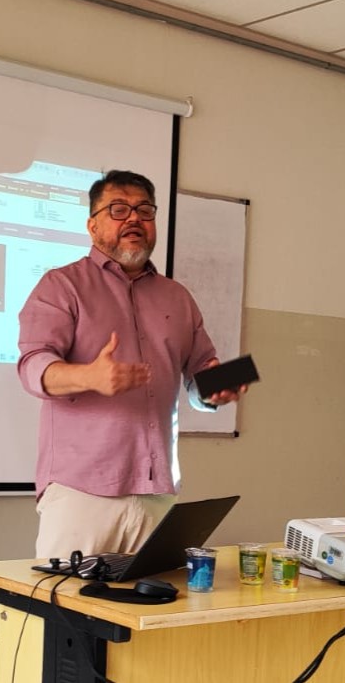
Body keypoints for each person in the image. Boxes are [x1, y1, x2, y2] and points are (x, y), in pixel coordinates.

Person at [17, 170, 246, 559]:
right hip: (81, 495)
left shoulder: (177, 297)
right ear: (92, 225)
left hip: (157, 494)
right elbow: (32, 366)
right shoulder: (62, 286)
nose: (134, 219)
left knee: (154, 599)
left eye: (144, 210)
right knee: (69, 599)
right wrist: (88, 376)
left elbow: (199, 377)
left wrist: (216, 387)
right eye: (119, 209)